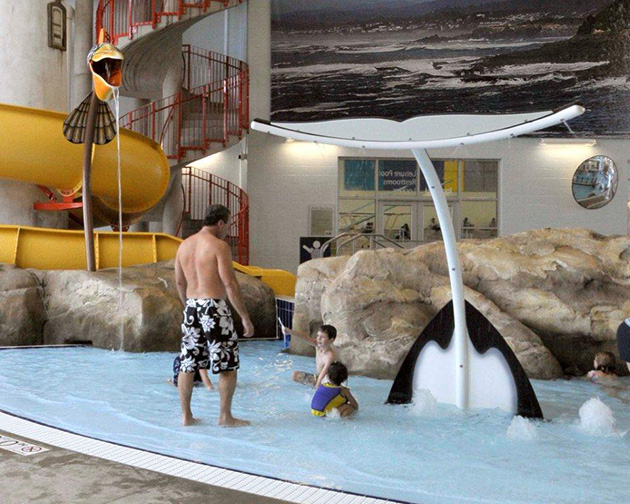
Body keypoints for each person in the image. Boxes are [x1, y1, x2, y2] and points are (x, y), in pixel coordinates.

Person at [175, 204, 254, 427]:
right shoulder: (219, 246)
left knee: (188, 363)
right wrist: (245, 317)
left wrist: (188, 307)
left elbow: (180, 282)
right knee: (228, 364)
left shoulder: (184, 246)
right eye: (227, 224)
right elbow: (230, 283)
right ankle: (225, 417)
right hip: (214, 307)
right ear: (220, 223)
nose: (227, 229)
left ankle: (186, 417)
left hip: (191, 306)